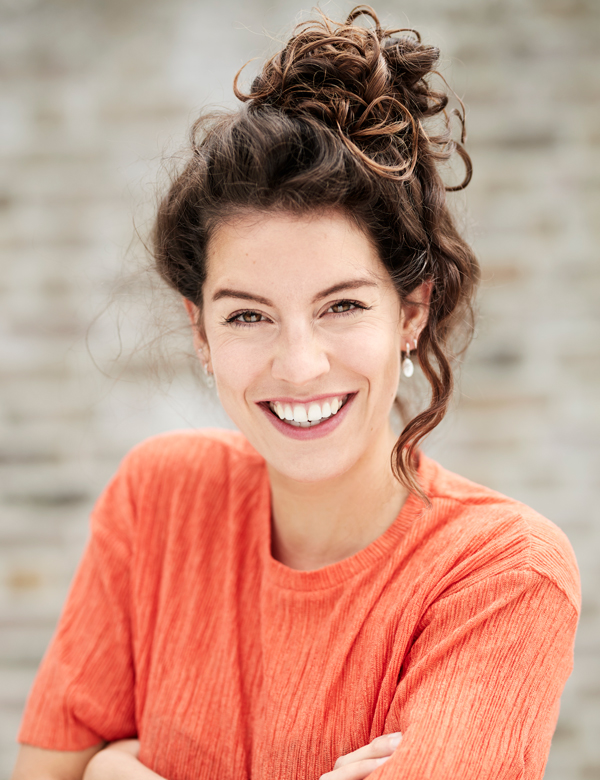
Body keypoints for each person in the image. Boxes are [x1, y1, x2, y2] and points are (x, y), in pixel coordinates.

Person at [11, 6, 580, 780]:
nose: (301, 365)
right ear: (202, 332)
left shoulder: (500, 577)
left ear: (411, 313)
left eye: (342, 306)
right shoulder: (157, 504)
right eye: (248, 315)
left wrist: (116, 772)